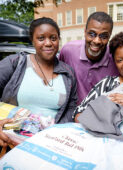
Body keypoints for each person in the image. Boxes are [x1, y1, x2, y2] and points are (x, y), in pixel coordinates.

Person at [0, 17, 77, 147]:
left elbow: (71, 107)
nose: (48, 43)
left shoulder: (68, 73)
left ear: (58, 39)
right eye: (41, 38)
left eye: (53, 38)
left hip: (48, 146)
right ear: (33, 40)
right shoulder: (15, 63)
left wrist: (56, 134)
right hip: (12, 143)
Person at [59, 11, 119, 105]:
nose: (97, 41)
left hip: (102, 114)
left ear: (109, 36)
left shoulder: (115, 59)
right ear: (85, 32)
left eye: (103, 36)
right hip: (72, 112)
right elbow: (57, 74)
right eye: (91, 34)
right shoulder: (68, 50)